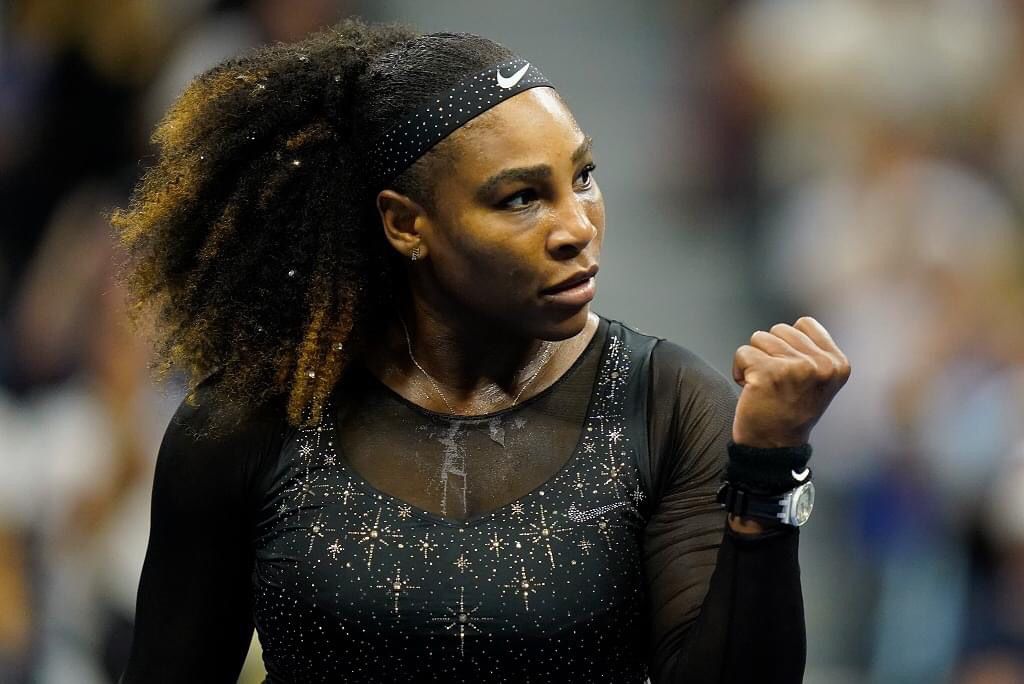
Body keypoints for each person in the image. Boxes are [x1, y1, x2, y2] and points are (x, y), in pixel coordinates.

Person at [112, 19, 850, 684]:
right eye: (520, 198)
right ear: (406, 224)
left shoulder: (673, 405)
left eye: (583, 178)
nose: (576, 228)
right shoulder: (251, 421)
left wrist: (768, 469)